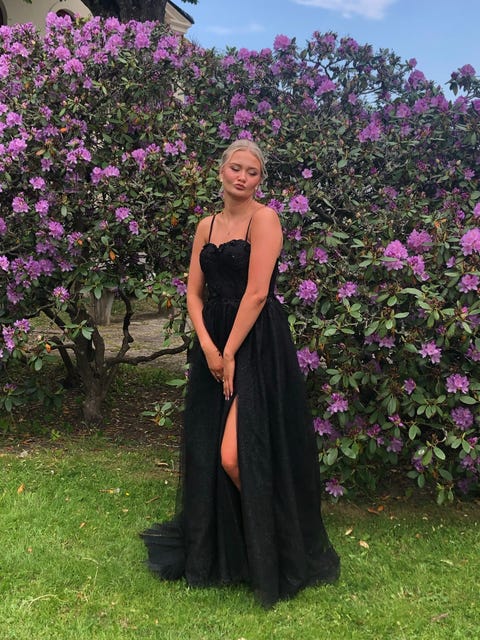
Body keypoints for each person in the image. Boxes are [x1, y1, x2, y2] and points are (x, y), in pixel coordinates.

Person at [141, 139, 340, 608]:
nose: (242, 177)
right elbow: (193, 294)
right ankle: (235, 550)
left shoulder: (265, 220)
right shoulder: (205, 225)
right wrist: (210, 349)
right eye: (236, 168)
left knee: (235, 455)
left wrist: (228, 353)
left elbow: (256, 294)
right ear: (221, 172)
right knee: (208, 449)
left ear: (259, 180)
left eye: (252, 172)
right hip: (213, 343)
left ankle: (277, 544)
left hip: (256, 345)